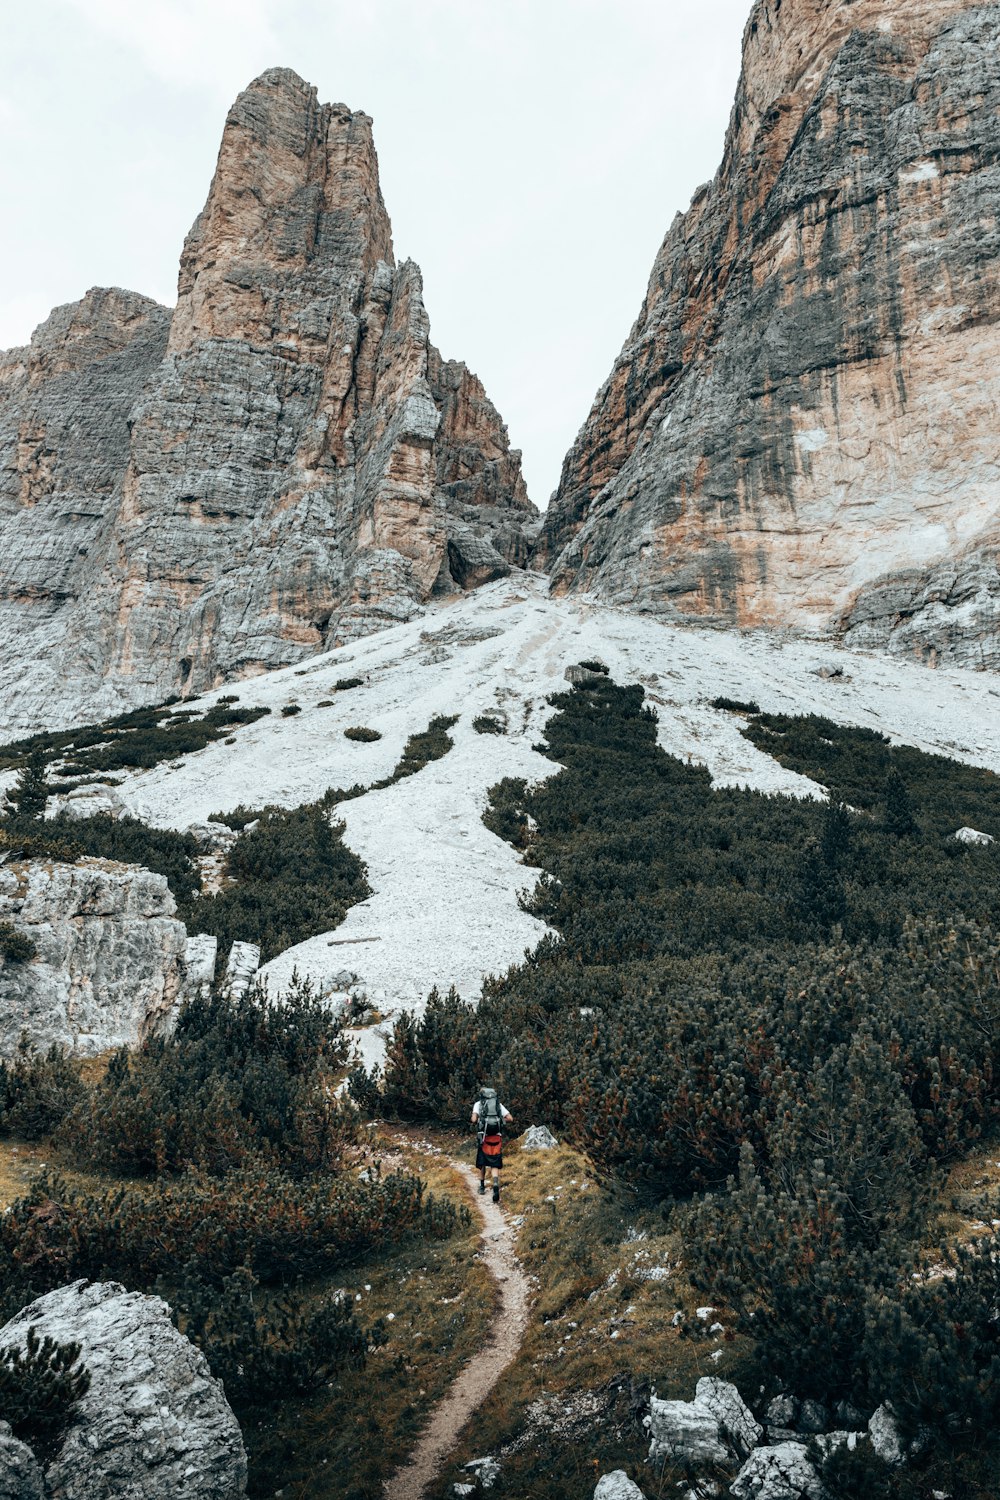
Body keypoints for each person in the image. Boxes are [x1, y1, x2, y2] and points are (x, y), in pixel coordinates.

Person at [471, 1087, 512, 1203]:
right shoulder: (498, 1105)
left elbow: (474, 1119)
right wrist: (499, 1120)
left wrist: (479, 1120)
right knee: (494, 1162)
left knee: (482, 1161)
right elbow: (510, 1118)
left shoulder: (478, 1104)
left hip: (484, 1137)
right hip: (496, 1137)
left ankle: (482, 1186)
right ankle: (495, 1184)